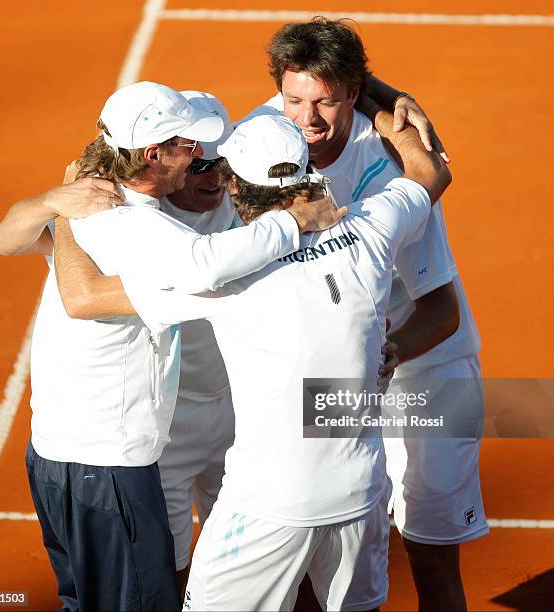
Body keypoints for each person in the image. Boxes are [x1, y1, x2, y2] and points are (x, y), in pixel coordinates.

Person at [50, 98, 451, 610]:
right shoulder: (371, 228)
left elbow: (83, 297)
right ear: (309, 171)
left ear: (234, 187)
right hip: (363, 496)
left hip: (267, 508)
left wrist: (65, 209)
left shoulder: (226, 278)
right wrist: (377, 104)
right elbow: (430, 173)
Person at [0, 81, 343, 612]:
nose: (207, 164)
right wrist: (293, 222)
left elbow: (9, 241)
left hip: (71, 453)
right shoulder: (137, 228)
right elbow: (147, 280)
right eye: (193, 151)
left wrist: (55, 206)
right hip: (109, 457)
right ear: (156, 155)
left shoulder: (100, 209)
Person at [259, 17, 488, 611]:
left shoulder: (394, 167)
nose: (307, 119)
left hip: (422, 367)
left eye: (326, 102)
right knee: (314, 550)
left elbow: (442, 311)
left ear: (354, 94)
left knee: (431, 549)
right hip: (334, 368)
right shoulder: (259, 143)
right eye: (294, 99)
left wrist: (386, 354)